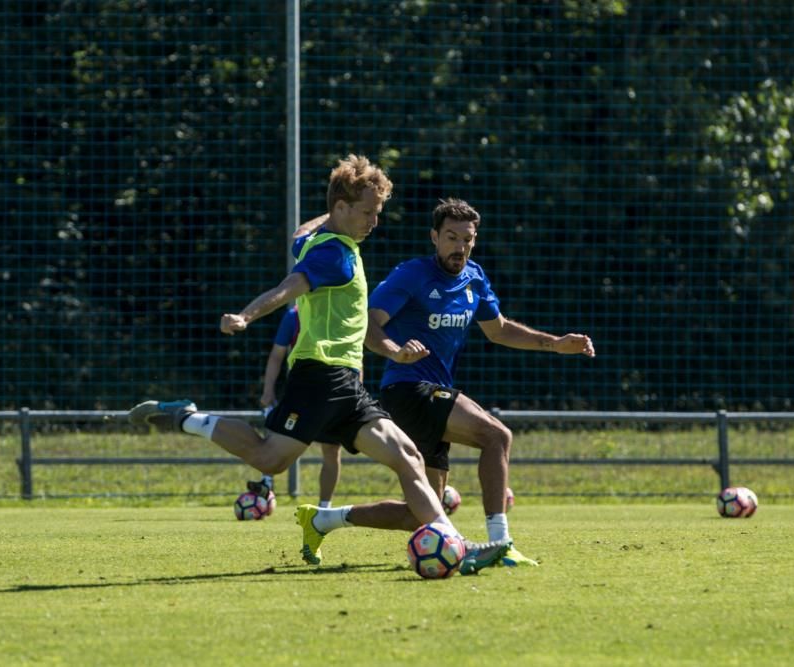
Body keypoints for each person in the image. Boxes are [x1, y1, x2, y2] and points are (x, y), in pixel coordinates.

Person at [128, 156, 507, 574]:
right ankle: (187, 417)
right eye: (367, 212)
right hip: (319, 376)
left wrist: (335, 211)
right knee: (270, 459)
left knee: (408, 457)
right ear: (342, 209)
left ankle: (454, 543)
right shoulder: (335, 257)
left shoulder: (316, 240)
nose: (374, 222)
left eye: (377, 213)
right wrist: (246, 316)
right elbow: (287, 288)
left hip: (348, 383)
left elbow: (299, 233)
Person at [303, 198, 595, 567]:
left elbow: (500, 330)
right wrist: (394, 350)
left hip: (432, 394)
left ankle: (322, 519)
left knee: (422, 513)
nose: (459, 247)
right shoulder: (413, 274)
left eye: (467, 240)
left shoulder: (475, 278)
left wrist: (553, 344)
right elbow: (368, 322)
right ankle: (500, 544)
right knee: (496, 436)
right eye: (452, 238)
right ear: (434, 237)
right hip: (408, 389)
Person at [258, 304, 342, 508]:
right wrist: (268, 390)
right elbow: (277, 356)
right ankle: (265, 486)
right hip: (300, 393)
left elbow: (357, 359)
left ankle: (324, 508)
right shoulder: (293, 316)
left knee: (331, 449)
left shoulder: (341, 312)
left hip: (333, 392)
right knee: (275, 438)